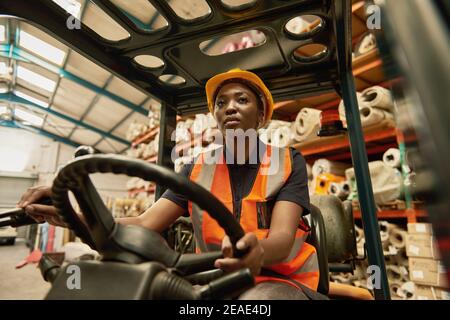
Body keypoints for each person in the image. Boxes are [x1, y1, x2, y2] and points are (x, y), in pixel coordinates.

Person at [17, 69, 319, 300]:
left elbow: (281, 239)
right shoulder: (196, 168)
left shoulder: (287, 161)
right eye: (221, 102)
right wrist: (71, 213)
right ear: (214, 116)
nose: (230, 107)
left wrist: (257, 252)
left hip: (279, 280)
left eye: (242, 99)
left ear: (262, 115)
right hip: (214, 279)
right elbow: (144, 222)